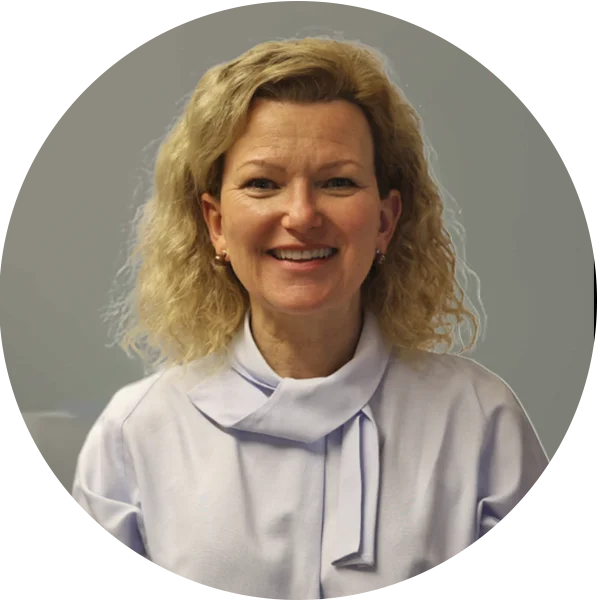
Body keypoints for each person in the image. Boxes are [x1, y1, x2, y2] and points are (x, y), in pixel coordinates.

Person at [70, 35, 550, 598]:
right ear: (216, 224)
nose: (300, 215)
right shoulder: (135, 436)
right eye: (263, 184)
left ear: (385, 221)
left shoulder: (480, 423)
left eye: (337, 182)